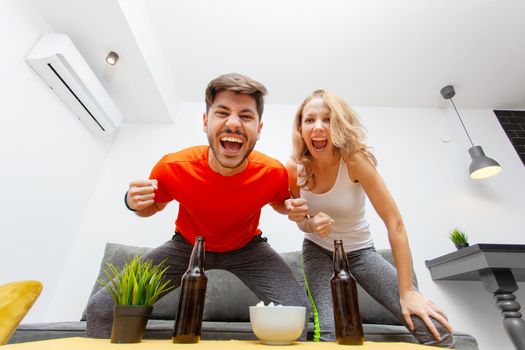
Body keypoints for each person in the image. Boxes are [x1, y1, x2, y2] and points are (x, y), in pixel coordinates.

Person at [86, 73, 309, 338]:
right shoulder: (172, 167)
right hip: (187, 246)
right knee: (101, 308)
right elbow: (151, 207)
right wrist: (131, 202)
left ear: (259, 129)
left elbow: (280, 204)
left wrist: (291, 208)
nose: (234, 123)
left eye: (246, 116)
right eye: (222, 112)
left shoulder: (273, 173)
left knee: (299, 313)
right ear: (206, 122)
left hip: (247, 249)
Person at [286, 89, 454, 346]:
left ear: (339, 124)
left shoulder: (354, 161)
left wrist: (407, 292)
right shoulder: (294, 168)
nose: (318, 127)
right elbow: (300, 221)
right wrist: (309, 223)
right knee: (332, 333)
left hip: (360, 252)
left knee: (433, 329)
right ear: (300, 127)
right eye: (310, 120)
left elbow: (394, 222)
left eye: (328, 119)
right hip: (317, 251)